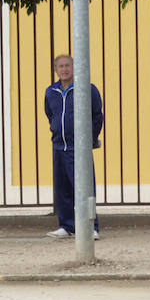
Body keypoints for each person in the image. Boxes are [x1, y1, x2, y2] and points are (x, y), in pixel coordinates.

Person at [44, 54, 103, 240]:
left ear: (74, 67)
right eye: (60, 66)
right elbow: (49, 113)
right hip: (59, 146)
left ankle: (91, 226)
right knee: (62, 189)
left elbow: (97, 115)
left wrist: (90, 139)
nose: (64, 69)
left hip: (79, 147)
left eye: (67, 65)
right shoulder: (50, 91)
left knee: (85, 188)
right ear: (56, 70)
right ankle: (67, 225)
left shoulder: (86, 88)